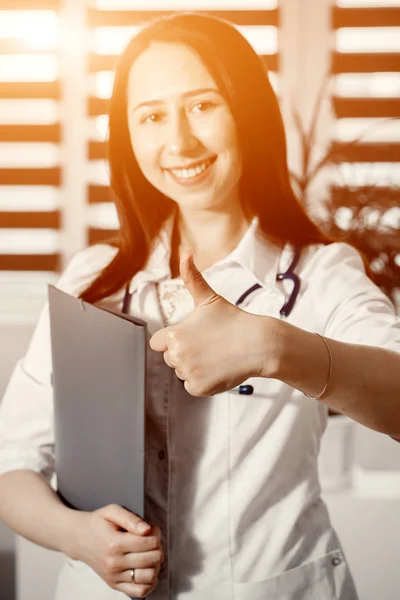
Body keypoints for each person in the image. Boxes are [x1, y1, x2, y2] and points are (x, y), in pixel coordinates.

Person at [0, 10, 399, 600]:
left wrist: (278, 349)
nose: (179, 142)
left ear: (248, 114)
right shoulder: (92, 280)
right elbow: (13, 466)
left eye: (203, 105)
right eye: (153, 116)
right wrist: (79, 537)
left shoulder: (320, 273)